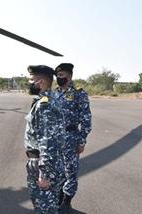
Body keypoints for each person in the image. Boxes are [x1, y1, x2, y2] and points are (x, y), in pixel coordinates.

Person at [24, 65, 65, 213]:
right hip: (50, 162)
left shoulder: (44, 105)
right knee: (48, 205)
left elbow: (48, 142)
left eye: (31, 80)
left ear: (40, 82)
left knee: (44, 207)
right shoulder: (51, 98)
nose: (29, 83)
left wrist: (44, 174)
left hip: (43, 164)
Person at [54, 63, 92, 213]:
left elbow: (86, 120)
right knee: (58, 170)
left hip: (71, 138)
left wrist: (82, 141)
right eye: (57, 75)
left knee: (70, 171)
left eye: (62, 75)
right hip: (56, 139)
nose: (59, 78)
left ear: (70, 77)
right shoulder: (55, 93)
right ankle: (58, 197)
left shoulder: (79, 93)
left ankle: (67, 201)